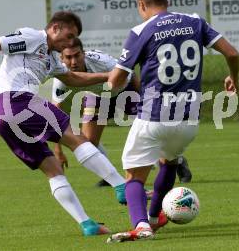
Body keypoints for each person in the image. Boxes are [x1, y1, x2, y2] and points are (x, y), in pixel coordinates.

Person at [0, 11, 128, 236]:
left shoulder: (53, 58)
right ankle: (122, 187)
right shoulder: (33, 37)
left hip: (1, 116)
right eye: (69, 34)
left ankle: (87, 225)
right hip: (16, 100)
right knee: (75, 137)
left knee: (52, 169)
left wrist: (107, 75)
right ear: (54, 28)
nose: (70, 41)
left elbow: (73, 78)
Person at [106, 0, 239, 242]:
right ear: (166, 1)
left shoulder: (141, 30)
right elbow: (232, 53)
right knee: (170, 160)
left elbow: (115, 81)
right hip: (188, 119)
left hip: (153, 115)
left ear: (142, 5)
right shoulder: (194, 21)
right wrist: (233, 77)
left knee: (134, 176)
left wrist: (104, 83)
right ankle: (155, 217)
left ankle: (142, 225)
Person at [52, 39, 193, 186]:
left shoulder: (102, 62)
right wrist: (58, 151)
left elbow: (129, 74)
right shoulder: (61, 77)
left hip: (125, 89)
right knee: (88, 143)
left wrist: (145, 99)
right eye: (68, 57)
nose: (73, 61)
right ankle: (112, 177)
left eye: (77, 55)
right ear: (62, 59)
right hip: (98, 97)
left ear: (84, 53)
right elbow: (55, 113)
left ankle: (178, 160)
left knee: (150, 130)